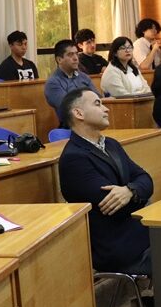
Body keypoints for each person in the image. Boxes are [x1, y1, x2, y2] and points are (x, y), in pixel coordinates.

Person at [58, 88, 153, 275]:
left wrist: (130, 191)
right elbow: (116, 207)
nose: (106, 109)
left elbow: (146, 179)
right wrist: (137, 193)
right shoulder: (74, 158)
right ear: (78, 113)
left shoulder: (111, 144)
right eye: (97, 104)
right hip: (118, 247)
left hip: (137, 232)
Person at [44, 39, 101, 126]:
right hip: (72, 126)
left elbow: (98, 98)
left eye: (76, 54)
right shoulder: (53, 83)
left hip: (94, 120)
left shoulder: (84, 77)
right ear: (59, 59)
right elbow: (69, 106)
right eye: (70, 55)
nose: (75, 58)